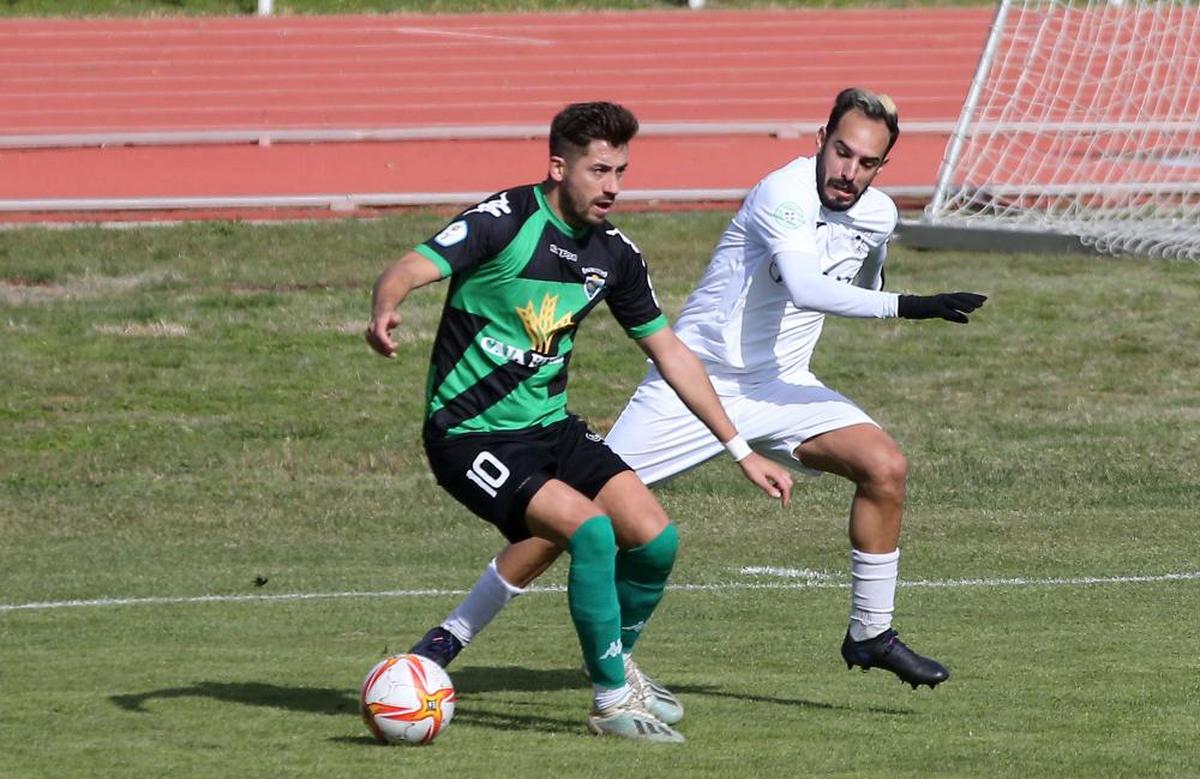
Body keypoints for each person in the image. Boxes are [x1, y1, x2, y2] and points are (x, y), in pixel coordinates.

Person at [407, 88, 988, 710]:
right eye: (842, 152)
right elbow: (805, 286)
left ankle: (870, 633)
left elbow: (867, 272)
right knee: (567, 519)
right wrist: (908, 307)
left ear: (881, 169)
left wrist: (882, 287)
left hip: (784, 385)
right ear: (821, 141)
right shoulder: (782, 192)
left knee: (885, 466)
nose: (849, 171)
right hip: (693, 386)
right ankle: (447, 640)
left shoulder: (879, 216)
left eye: (867, 163)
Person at [366, 101, 793, 743]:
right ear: (558, 166)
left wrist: (741, 449)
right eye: (600, 170)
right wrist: (385, 310)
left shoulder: (614, 255)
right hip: (469, 434)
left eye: (621, 170)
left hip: (550, 428)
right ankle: (611, 700)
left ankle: (617, 665)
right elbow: (407, 267)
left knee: (655, 539)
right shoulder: (503, 222)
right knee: (591, 534)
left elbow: (671, 352)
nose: (614, 186)